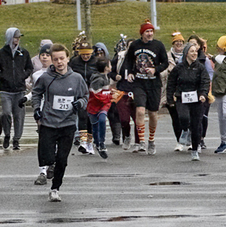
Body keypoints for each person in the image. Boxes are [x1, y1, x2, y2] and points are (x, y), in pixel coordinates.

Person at [30, 45, 87, 201]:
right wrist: (36, 109)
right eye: (56, 59)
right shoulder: (46, 78)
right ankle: (50, 165)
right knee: (46, 157)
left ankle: (55, 188)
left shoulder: (77, 78)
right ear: (52, 61)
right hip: (49, 122)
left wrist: (79, 104)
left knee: (62, 159)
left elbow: (85, 97)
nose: (59, 62)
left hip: (68, 124)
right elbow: (36, 93)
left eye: (62, 58)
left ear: (68, 59)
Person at [123, 21, 167, 154]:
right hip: (139, 83)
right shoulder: (135, 45)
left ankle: (151, 140)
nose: (150, 34)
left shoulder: (158, 45)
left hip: (153, 84)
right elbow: (128, 61)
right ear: (142, 33)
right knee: (140, 111)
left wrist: (155, 70)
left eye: (151, 31)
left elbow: (165, 63)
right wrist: (129, 73)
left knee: (153, 113)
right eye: (147, 31)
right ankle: (141, 141)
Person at [167, 41, 212, 160]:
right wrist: (170, 97)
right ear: (186, 53)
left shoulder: (200, 68)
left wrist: (203, 94)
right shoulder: (179, 68)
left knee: (196, 125)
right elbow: (171, 82)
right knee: (183, 117)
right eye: (192, 51)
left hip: (196, 99)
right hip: (182, 97)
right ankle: (185, 130)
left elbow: (205, 81)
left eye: (196, 52)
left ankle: (195, 149)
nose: (194, 54)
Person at [0, 27, 31, 151]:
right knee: (6, 113)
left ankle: (17, 139)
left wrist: (22, 76)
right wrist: (3, 77)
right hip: (6, 89)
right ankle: (7, 134)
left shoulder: (23, 52)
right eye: (15, 37)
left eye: (18, 38)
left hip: (19, 89)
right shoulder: (0, 54)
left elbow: (29, 67)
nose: (17, 40)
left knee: (19, 115)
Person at [85, 72, 113, 160]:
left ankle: (102, 143)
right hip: (93, 106)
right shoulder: (97, 80)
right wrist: (109, 96)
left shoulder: (107, 77)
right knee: (95, 126)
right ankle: (97, 143)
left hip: (103, 105)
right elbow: (96, 95)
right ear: (106, 67)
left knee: (102, 119)